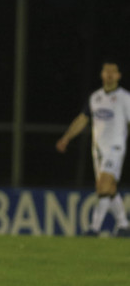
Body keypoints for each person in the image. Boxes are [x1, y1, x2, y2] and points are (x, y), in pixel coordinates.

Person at [56, 61, 130, 236]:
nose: (110, 74)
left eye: (113, 72)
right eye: (106, 71)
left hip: (115, 148)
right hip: (98, 150)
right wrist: (66, 137)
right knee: (109, 189)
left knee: (103, 186)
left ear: (119, 75)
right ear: (102, 75)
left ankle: (94, 228)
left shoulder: (125, 98)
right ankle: (124, 225)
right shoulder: (94, 97)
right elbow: (82, 119)